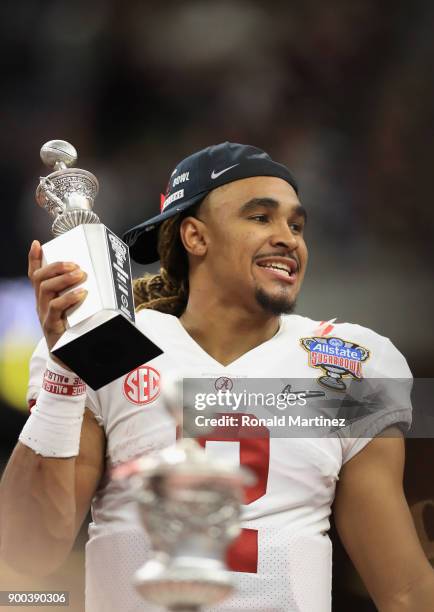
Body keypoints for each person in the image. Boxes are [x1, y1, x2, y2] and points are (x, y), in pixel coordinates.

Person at [0, 142, 433, 611]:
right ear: (195, 237)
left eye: (296, 224)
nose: (288, 238)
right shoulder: (113, 346)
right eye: (261, 217)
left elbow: (403, 589)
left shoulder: (346, 363)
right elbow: (25, 552)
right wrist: (67, 370)